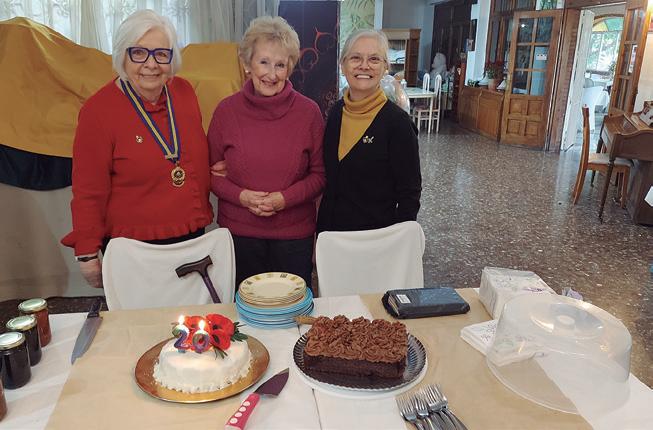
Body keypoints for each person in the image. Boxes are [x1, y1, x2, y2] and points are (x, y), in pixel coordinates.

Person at [62, 10, 213, 288]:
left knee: (192, 313)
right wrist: (87, 253)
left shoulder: (184, 92)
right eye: (139, 53)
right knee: (141, 316)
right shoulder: (97, 111)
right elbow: (88, 190)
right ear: (123, 55)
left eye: (161, 54)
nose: (151, 64)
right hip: (133, 248)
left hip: (191, 238)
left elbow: (194, 154)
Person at [208, 16, 325, 289]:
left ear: (289, 68)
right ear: (247, 64)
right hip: (239, 234)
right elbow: (209, 174)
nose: (272, 74)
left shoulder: (309, 113)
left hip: (294, 236)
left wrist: (284, 199)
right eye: (263, 62)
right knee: (244, 309)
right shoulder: (226, 111)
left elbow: (320, 175)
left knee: (292, 309)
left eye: (280, 65)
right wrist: (242, 196)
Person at [317, 30, 421, 233]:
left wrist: (397, 240)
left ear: (385, 67)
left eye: (374, 59)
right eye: (355, 58)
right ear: (343, 65)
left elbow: (409, 195)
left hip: (376, 239)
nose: (364, 65)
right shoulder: (336, 112)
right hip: (332, 236)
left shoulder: (398, 124)